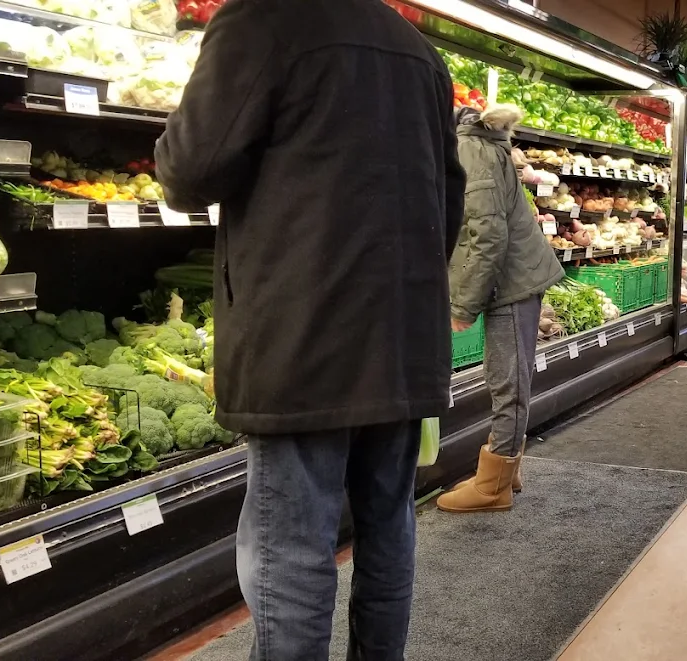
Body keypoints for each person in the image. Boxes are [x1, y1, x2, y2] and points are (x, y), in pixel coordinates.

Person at [153, 0, 464, 657]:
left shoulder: (261, 19)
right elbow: (450, 196)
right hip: (403, 340)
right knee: (389, 531)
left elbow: (189, 172)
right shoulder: (417, 50)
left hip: (302, 338)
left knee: (291, 552)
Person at [437, 104, 564, 513]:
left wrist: (464, 305)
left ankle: (494, 487)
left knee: (507, 381)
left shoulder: (469, 150)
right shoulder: (476, 144)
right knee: (510, 378)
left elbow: (487, 234)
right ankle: (507, 468)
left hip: (510, 281)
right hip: (513, 276)